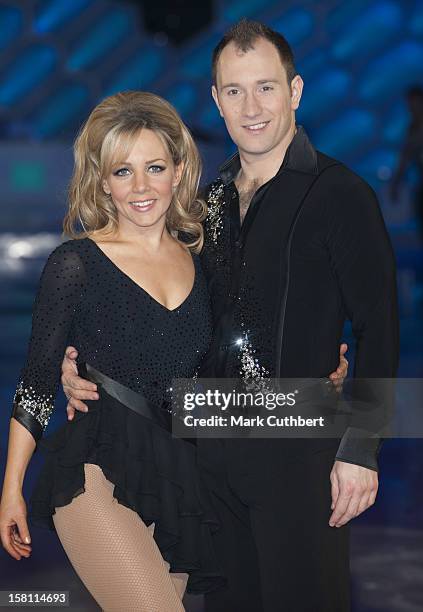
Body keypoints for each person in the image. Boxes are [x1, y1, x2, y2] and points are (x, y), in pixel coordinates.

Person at [58, 23, 380, 612]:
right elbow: (161, 314)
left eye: (265, 87)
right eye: (234, 91)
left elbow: (380, 329)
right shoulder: (206, 208)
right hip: (207, 454)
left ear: (296, 91)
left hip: (299, 448)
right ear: (215, 100)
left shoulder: (341, 195)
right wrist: (76, 366)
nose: (251, 107)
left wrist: (361, 450)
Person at [0, 91, 228, 612]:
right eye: (123, 172)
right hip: (95, 474)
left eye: (154, 167)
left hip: (181, 484)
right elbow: (36, 382)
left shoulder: (206, 263)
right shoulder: (75, 263)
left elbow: (229, 368)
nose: (141, 187)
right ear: (103, 181)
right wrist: (11, 487)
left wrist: (326, 383)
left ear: (178, 169)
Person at [390, 85, 423, 239]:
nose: (413, 109)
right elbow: (405, 158)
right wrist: (396, 182)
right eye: (411, 105)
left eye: (416, 104)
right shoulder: (412, 129)